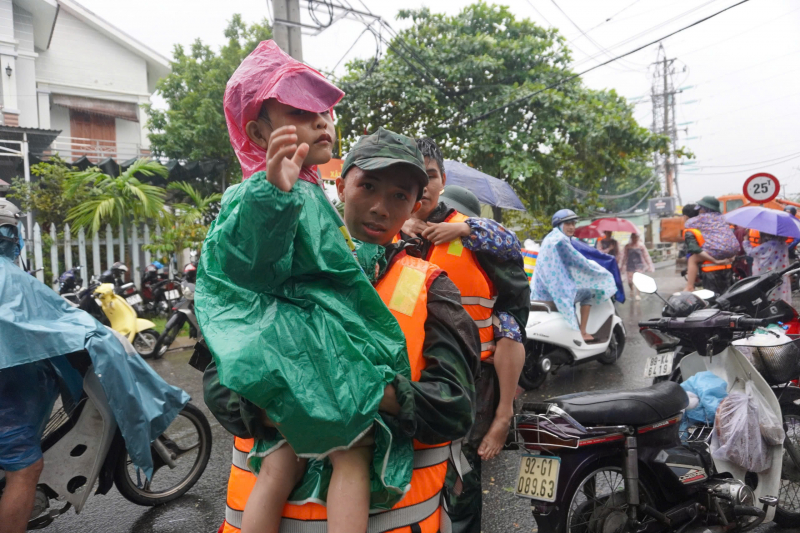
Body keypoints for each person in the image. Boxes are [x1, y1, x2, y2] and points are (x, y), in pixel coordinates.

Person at [196, 42, 430, 533]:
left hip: (286, 352)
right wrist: (271, 195)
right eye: (302, 113)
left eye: (325, 112)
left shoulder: (303, 189)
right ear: (259, 132)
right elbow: (253, 261)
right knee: (354, 450)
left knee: (281, 457)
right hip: (304, 349)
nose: (323, 122)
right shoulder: (267, 192)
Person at [203, 128, 480, 533]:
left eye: (399, 196)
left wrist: (371, 391)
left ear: (416, 206)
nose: (381, 208)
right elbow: (218, 379)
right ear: (341, 184)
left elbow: (455, 407)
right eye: (367, 186)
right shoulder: (282, 258)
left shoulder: (432, 288)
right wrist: (286, 402)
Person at [0, 198, 189, 533]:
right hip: (9, 396)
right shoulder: (9, 278)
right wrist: (100, 335)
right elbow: (58, 320)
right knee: (25, 469)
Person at [398, 139, 529, 533]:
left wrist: (466, 227)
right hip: (405, 376)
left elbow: (514, 286)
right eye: (412, 177)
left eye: (430, 176)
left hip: (470, 378)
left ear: (443, 180)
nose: (421, 187)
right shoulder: (385, 227)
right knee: (409, 474)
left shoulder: (473, 233)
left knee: (461, 476)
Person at [533, 209, 618, 341]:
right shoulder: (561, 240)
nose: (572, 227)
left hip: (541, 292)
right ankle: (582, 332)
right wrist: (601, 272)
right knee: (587, 294)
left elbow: (564, 264)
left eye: (573, 223)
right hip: (554, 294)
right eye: (568, 224)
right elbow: (578, 261)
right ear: (559, 225)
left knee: (573, 289)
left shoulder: (550, 239)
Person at [683, 196, 739, 291]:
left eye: (701, 208)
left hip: (715, 253)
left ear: (705, 208)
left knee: (692, 259)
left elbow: (687, 223)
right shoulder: (723, 217)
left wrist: (715, 261)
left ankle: (690, 286)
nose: (699, 211)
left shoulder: (700, 219)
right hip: (732, 251)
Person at [743, 231, 791, 304]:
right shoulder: (784, 244)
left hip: (768, 275)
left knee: (769, 293)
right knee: (779, 292)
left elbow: (751, 252)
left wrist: (746, 241)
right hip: (780, 274)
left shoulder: (769, 245)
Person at [619, 232, 655, 301]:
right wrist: (621, 265)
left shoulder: (641, 246)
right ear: (631, 238)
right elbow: (624, 256)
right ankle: (632, 289)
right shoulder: (627, 246)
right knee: (630, 281)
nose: (634, 239)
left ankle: (637, 294)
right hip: (630, 265)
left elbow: (646, 256)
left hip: (639, 265)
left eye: (636, 237)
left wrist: (650, 265)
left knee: (638, 280)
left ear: (638, 238)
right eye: (633, 237)